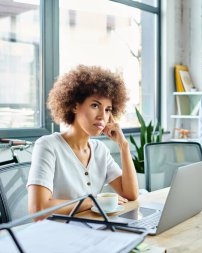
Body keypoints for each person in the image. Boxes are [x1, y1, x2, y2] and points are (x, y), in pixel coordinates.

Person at [27, 65, 139, 218]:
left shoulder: (100, 150)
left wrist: (123, 146)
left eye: (108, 110)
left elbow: (131, 194)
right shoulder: (48, 145)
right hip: (59, 233)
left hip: (94, 229)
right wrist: (91, 202)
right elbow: (38, 209)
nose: (102, 116)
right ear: (74, 105)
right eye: (95, 105)